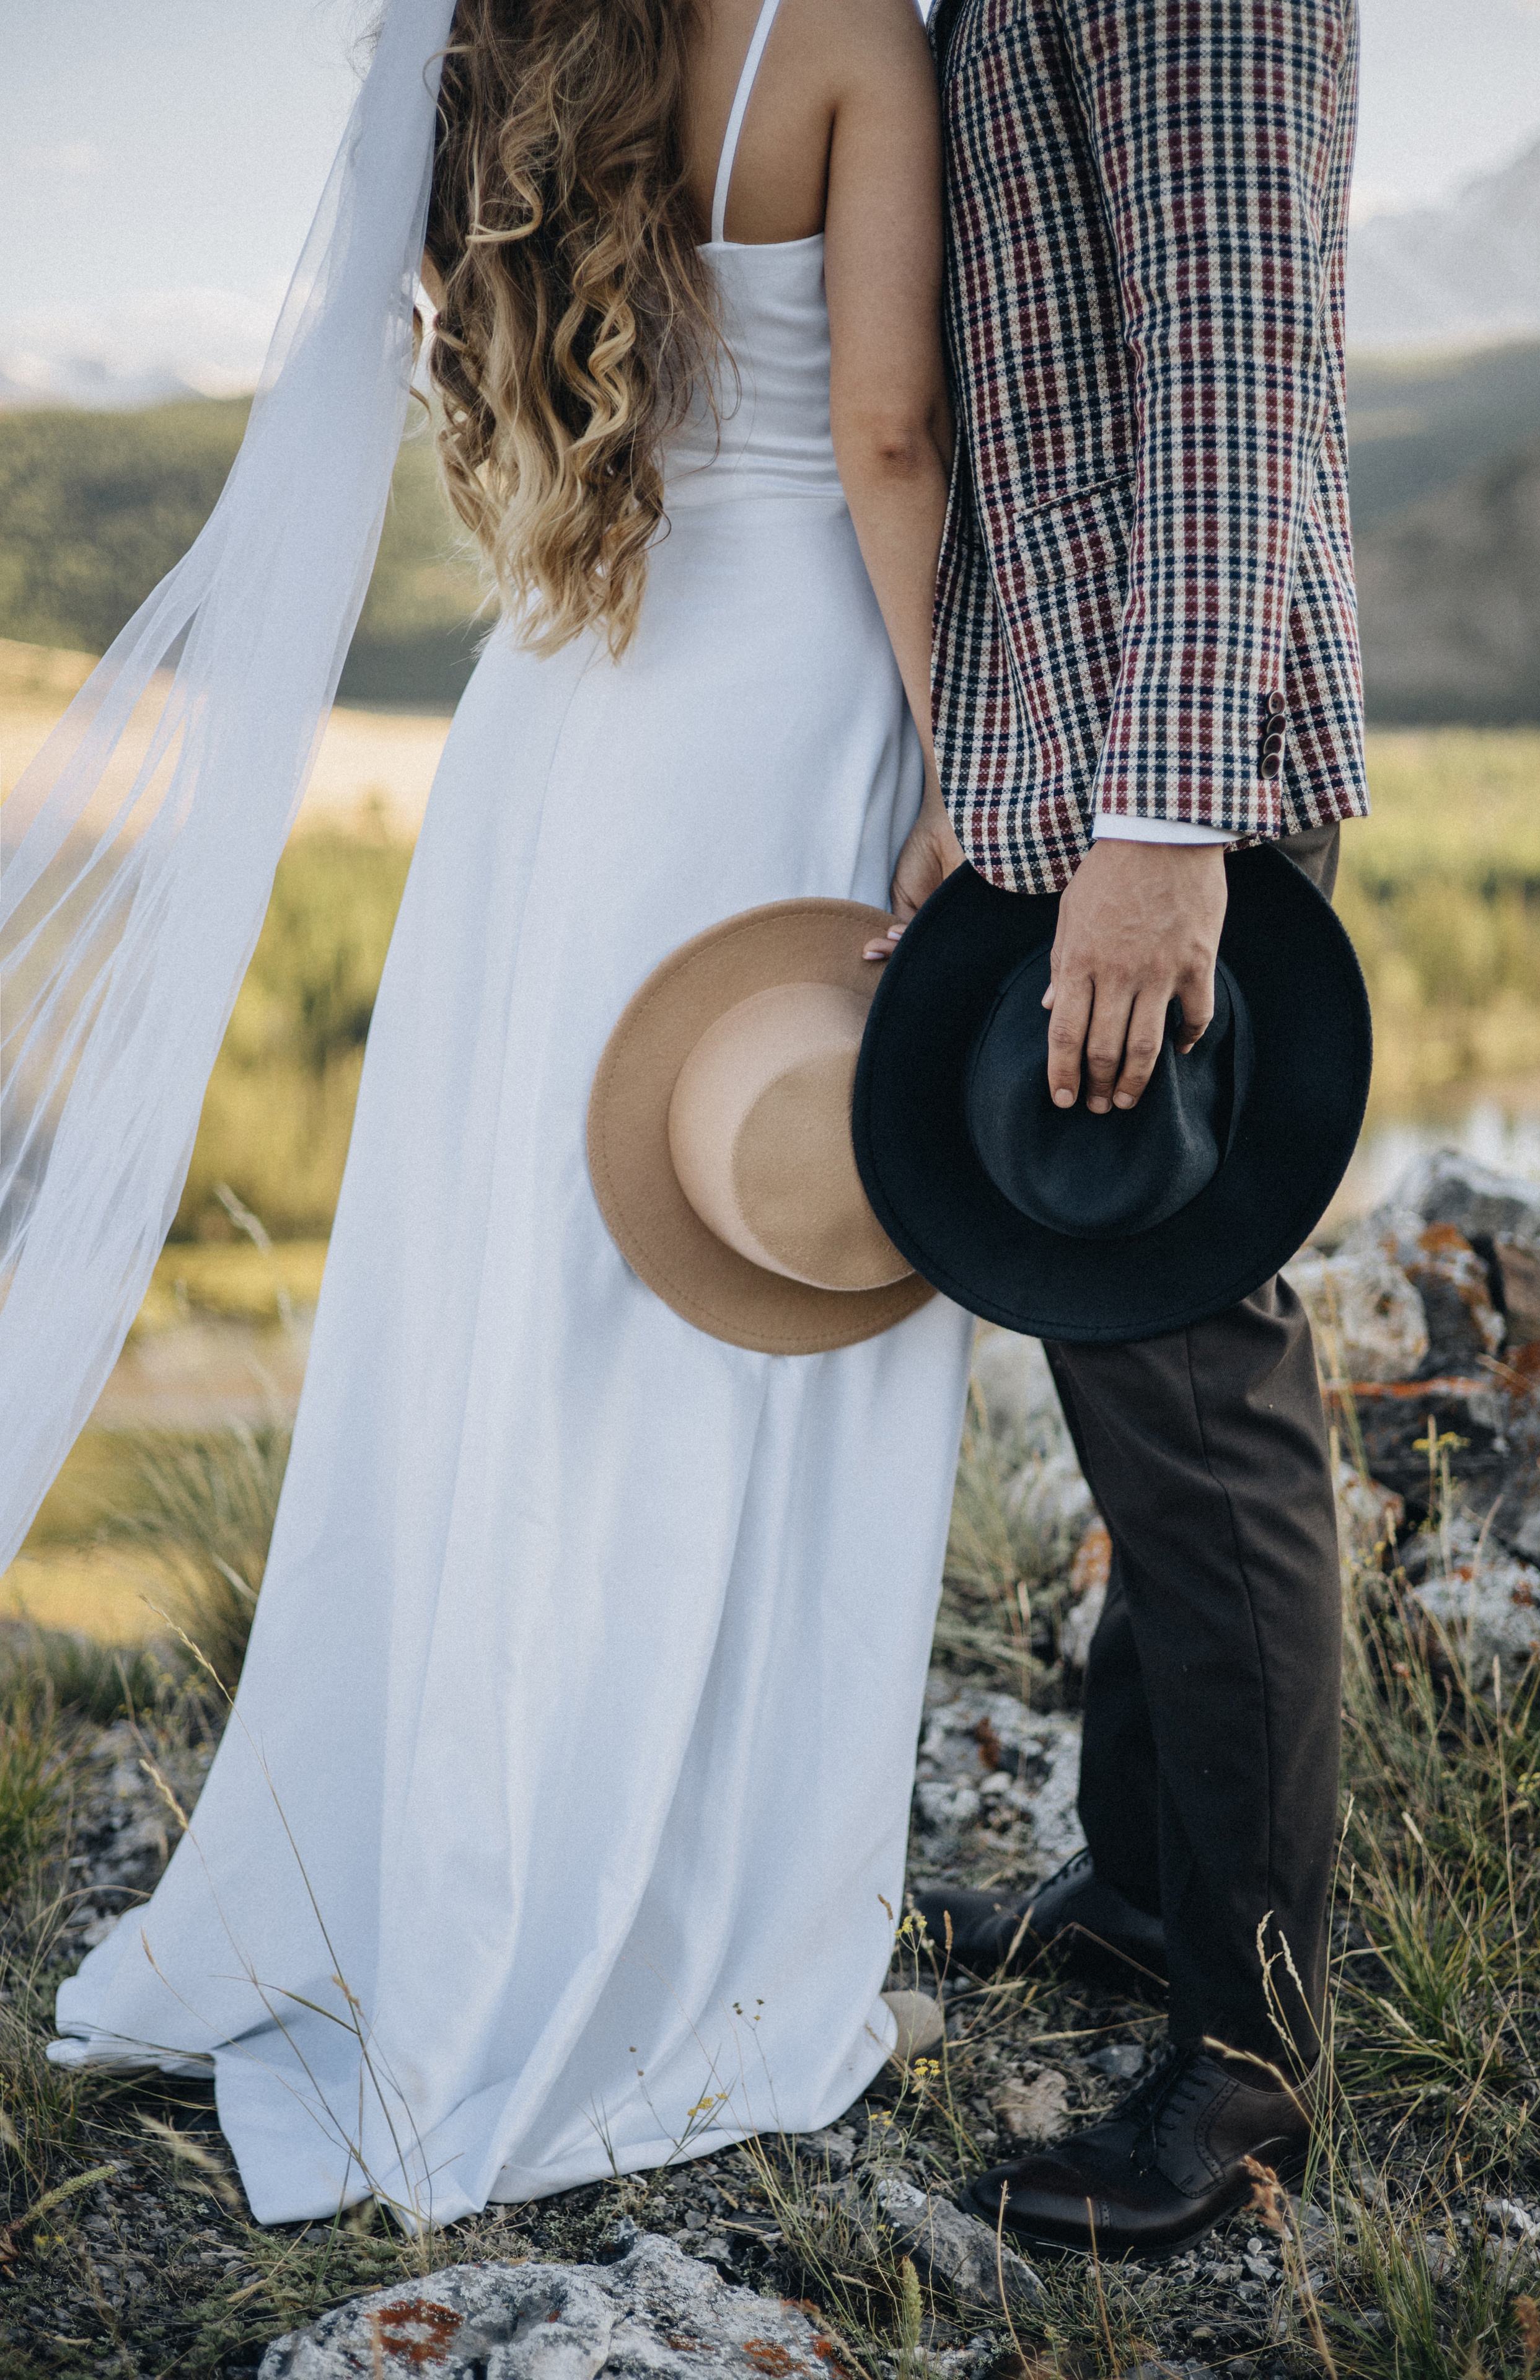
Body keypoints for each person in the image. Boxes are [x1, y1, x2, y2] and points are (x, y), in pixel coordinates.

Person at [42, 0, 975, 2228]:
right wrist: (970, 756)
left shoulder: (511, 34)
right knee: (762, 1311)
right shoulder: (848, 32)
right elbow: (888, 435)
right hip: (786, 717)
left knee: (521, 1322)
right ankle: (680, 1924)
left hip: (558, 715)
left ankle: (460, 1855)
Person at [891, 0, 1373, 2262]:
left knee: (1201, 1397)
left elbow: (1240, 354)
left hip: (1160, 813)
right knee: (1131, 1347)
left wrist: (1162, 816)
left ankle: (1257, 2056)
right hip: (1076, 792)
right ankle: (1145, 1886)